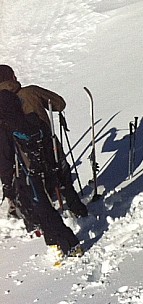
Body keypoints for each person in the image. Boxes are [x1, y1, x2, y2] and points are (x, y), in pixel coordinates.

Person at [0, 89, 82, 258]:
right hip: (43, 165)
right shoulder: (30, 121)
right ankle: (56, 241)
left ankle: (69, 244)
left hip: (25, 174)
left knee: (42, 209)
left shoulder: (5, 128)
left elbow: (5, 160)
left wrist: (8, 186)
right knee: (44, 205)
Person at [0, 64, 87, 218]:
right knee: (62, 175)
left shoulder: (3, 105)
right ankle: (77, 208)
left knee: (35, 183)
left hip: (22, 153)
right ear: (12, 77)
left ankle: (39, 214)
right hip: (48, 142)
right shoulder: (30, 92)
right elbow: (59, 104)